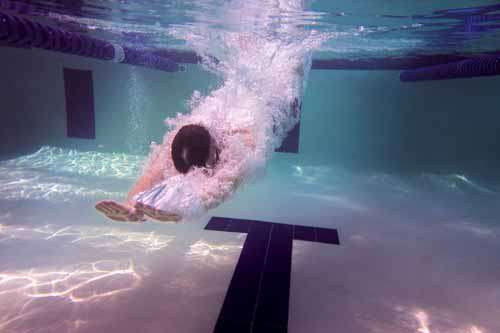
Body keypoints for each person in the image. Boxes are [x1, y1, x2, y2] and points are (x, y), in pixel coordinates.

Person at [95, 121, 257, 223]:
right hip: (199, 140)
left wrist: (188, 209)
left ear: (213, 148)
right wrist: (130, 205)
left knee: (225, 176)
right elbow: (151, 176)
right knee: (162, 169)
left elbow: (224, 186)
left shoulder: (237, 144)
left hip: (248, 125)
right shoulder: (174, 144)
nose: (193, 174)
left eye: (198, 168)